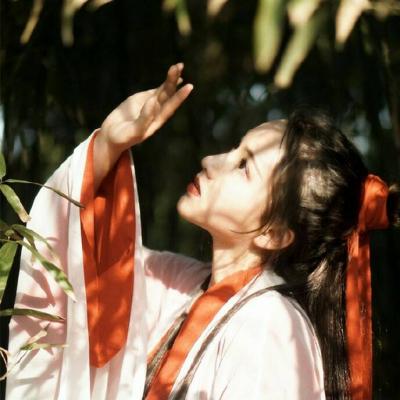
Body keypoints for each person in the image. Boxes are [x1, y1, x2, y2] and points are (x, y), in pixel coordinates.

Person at [6, 64, 399, 399]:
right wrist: (109, 143)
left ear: (275, 234)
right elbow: (86, 266)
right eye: (235, 149)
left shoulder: (270, 329)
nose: (211, 161)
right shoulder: (183, 285)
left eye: (244, 167)